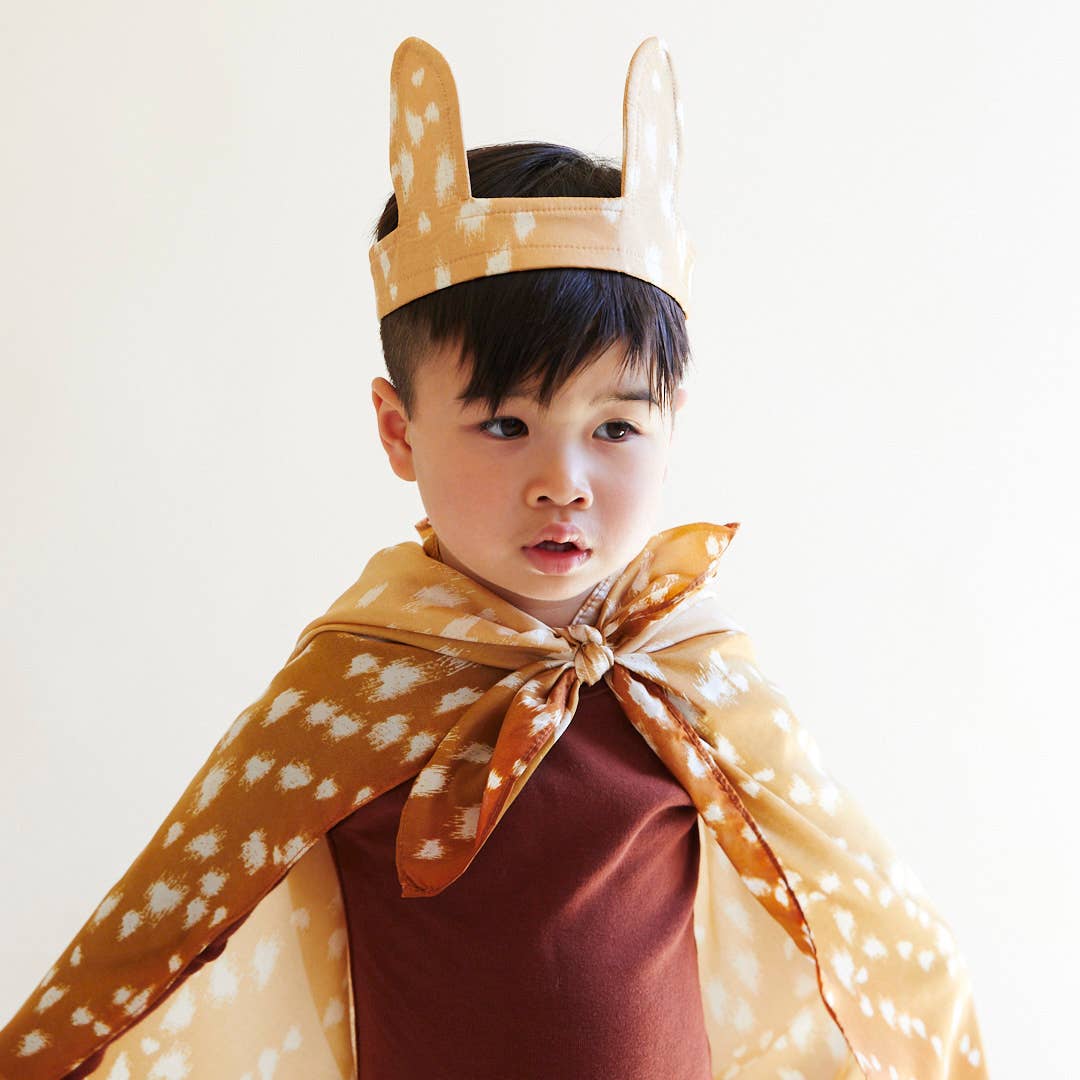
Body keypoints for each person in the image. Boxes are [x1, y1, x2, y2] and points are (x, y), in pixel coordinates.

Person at [0, 35, 989, 1080]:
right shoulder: (354, 687)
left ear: (672, 425)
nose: (563, 482)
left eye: (614, 429)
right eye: (505, 426)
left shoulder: (698, 677)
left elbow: (859, 920)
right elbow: (168, 928)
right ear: (398, 431)